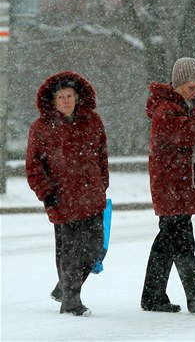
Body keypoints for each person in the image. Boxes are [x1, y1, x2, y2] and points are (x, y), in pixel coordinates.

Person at [141, 57, 195, 314]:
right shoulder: (167, 110)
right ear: (177, 84)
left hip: (177, 186)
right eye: (191, 87)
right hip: (171, 186)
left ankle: (153, 297)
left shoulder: (182, 107)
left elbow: (190, 133)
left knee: (167, 244)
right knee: (182, 243)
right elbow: (185, 136)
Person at [26, 71, 109, 317]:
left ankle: (64, 288)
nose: (65, 101)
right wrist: (45, 192)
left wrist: (102, 184)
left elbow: (102, 156)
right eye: (60, 97)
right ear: (52, 101)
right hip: (62, 199)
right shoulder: (41, 128)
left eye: (69, 95)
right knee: (70, 253)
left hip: (92, 196)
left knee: (95, 250)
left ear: (77, 97)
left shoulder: (93, 121)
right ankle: (71, 303)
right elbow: (33, 166)